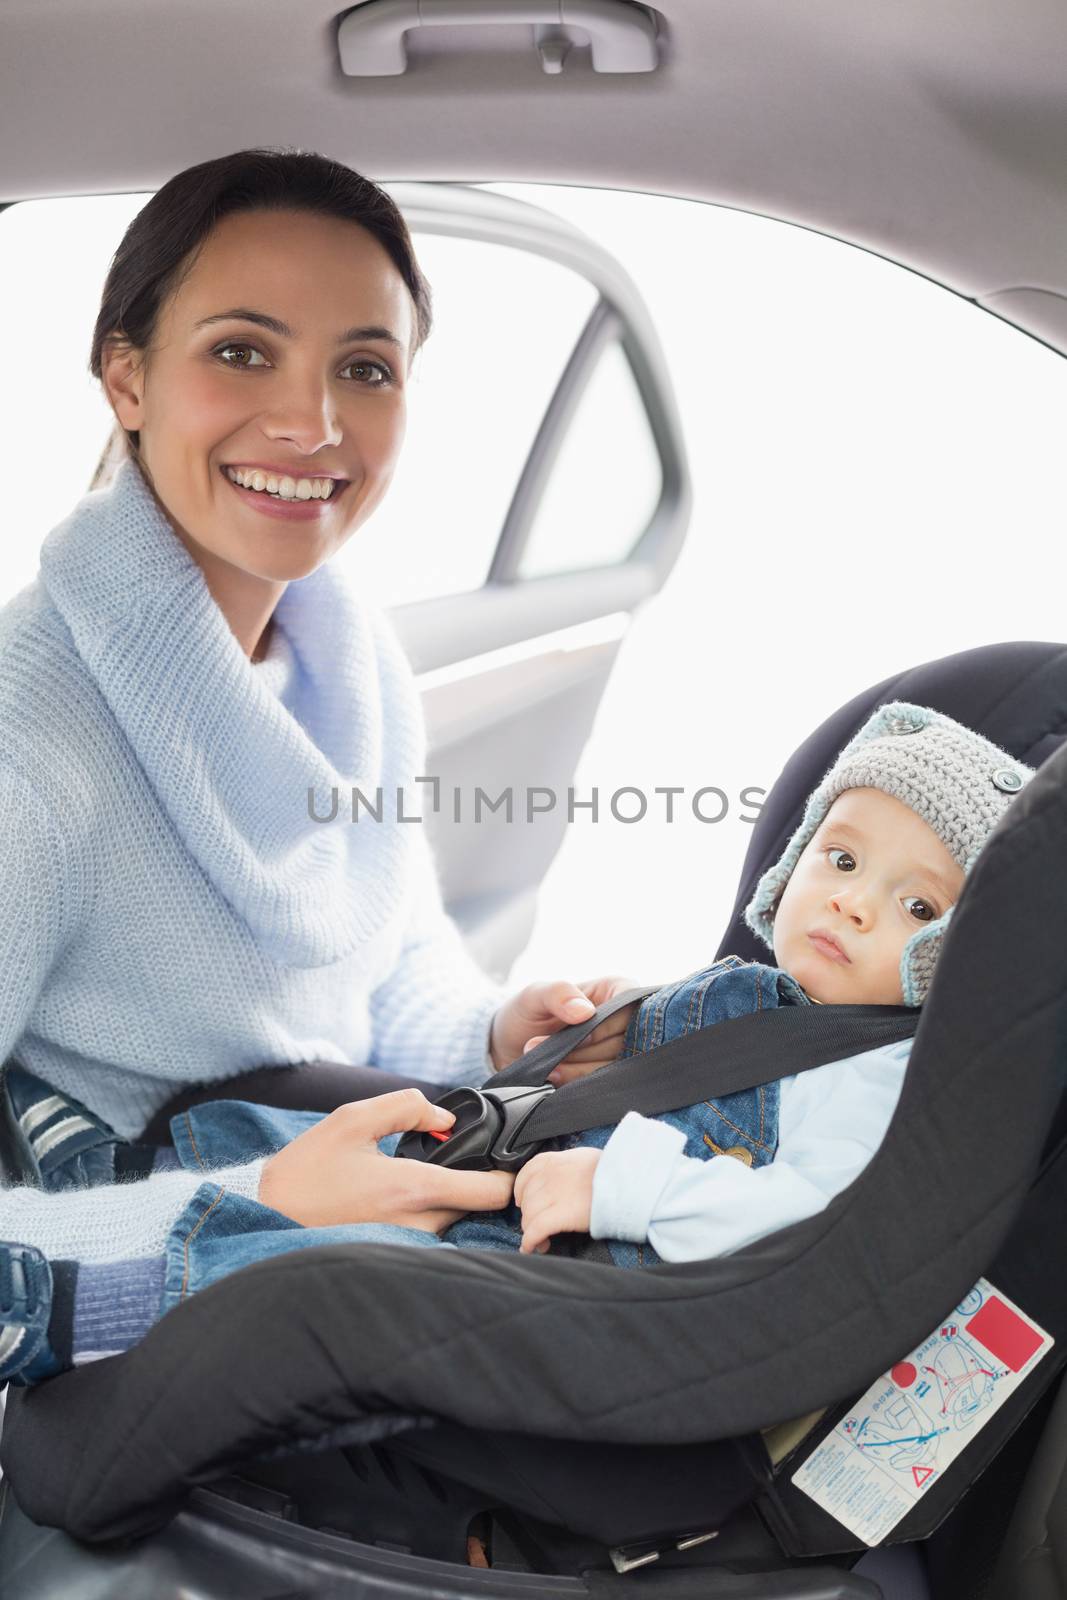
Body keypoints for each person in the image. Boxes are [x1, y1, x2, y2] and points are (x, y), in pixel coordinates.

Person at [0, 146, 644, 1384]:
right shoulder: (31, 752)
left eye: (363, 368)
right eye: (241, 350)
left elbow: (375, 967)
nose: (311, 423)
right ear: (124, 377)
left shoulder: (347, 665)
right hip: (146, 1344)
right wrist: (262, 1211)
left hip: (319, 1252)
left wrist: (499, 1033)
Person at [1, 701, 1033, 1382]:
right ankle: (119, 1169)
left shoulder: (875, 1075)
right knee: (281, 1119)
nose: (852, 906)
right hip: (520, 1152)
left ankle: (67, 1312)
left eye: (911, 905)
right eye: (841, 859)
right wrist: (578, 1041)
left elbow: (799, 1223)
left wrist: (617, 1186)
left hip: (576, 1261)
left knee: (317, 1269)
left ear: (956, 956)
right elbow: (672, 1075)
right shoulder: (758, 996)